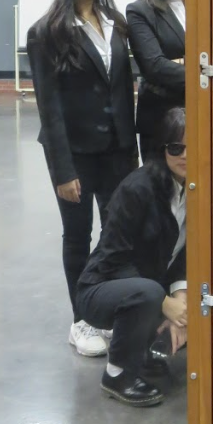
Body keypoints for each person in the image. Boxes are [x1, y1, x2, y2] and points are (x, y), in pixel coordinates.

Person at [26, 0, 138, 359]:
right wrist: (62, 172)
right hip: (75, 154)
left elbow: (124, 92)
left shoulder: (116, 24)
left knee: (116, 235)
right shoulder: (47, 32)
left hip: (117, 152)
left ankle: (109, 311)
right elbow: (48, 108)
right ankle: (82, 319)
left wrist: (132, 153)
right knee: (78, 236)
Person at [74, 107, 189, 408]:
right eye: (177, 147)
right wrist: (166, 304)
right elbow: (114, 260)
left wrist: (181, 297)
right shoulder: (138, 189)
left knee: (155, 290)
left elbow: (182, 253)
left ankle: (141, 353)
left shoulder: (194, 190)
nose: (186, 155)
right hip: (101, 287)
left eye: (195, 147)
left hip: (144, 284)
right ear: (162, 148)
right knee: (149, 292)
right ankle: (117, 376)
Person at [127, 0, 187, 163]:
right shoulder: (141, 10)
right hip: (161, 122)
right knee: (161, 196)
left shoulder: (211, 7)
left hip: (207, 116)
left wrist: (181, 63)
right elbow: (154, 67)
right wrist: (207, 70)